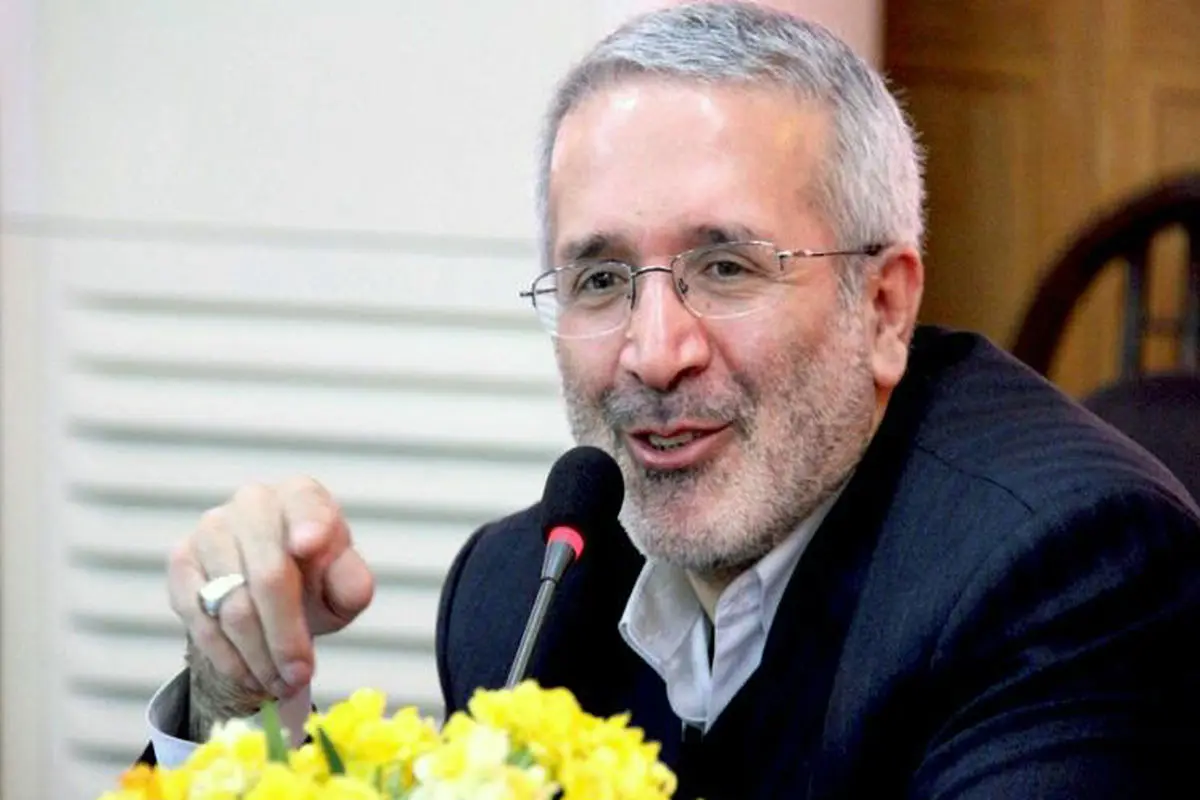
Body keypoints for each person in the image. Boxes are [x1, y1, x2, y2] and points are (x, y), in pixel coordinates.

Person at [142, 3, 1200, 797]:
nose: (654, 353)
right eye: (602, 279)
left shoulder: (1067, 574)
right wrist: (242, 714)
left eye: (727, 267)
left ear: (882, 308)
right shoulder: (521, 600)